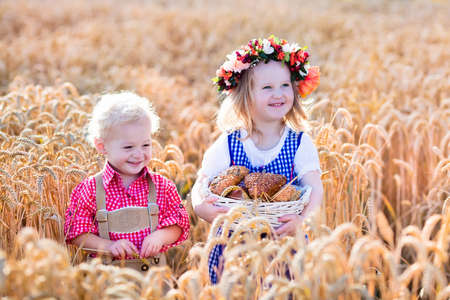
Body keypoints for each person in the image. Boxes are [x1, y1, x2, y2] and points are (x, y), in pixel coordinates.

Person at [191, 36, 324, 283]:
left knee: (287, 288)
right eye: (267, 87)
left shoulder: (299, 143)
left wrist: (301, 221)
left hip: (283, 238)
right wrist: (204, 209)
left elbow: (315, 190)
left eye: (285, 85)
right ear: (245, 95)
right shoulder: (230, 142)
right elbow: (202, 184)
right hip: (232, 243)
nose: (279, 94)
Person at [64, 92, 190, 271]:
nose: (139, 154)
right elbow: (76, 233)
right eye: (128, 147)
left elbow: (178, 225)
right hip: (108, 279)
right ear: (102, 146)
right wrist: (108, 246)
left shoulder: (162, 187)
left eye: (146, 145)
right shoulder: (90, 189)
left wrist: (159, 237)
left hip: (152, 280)